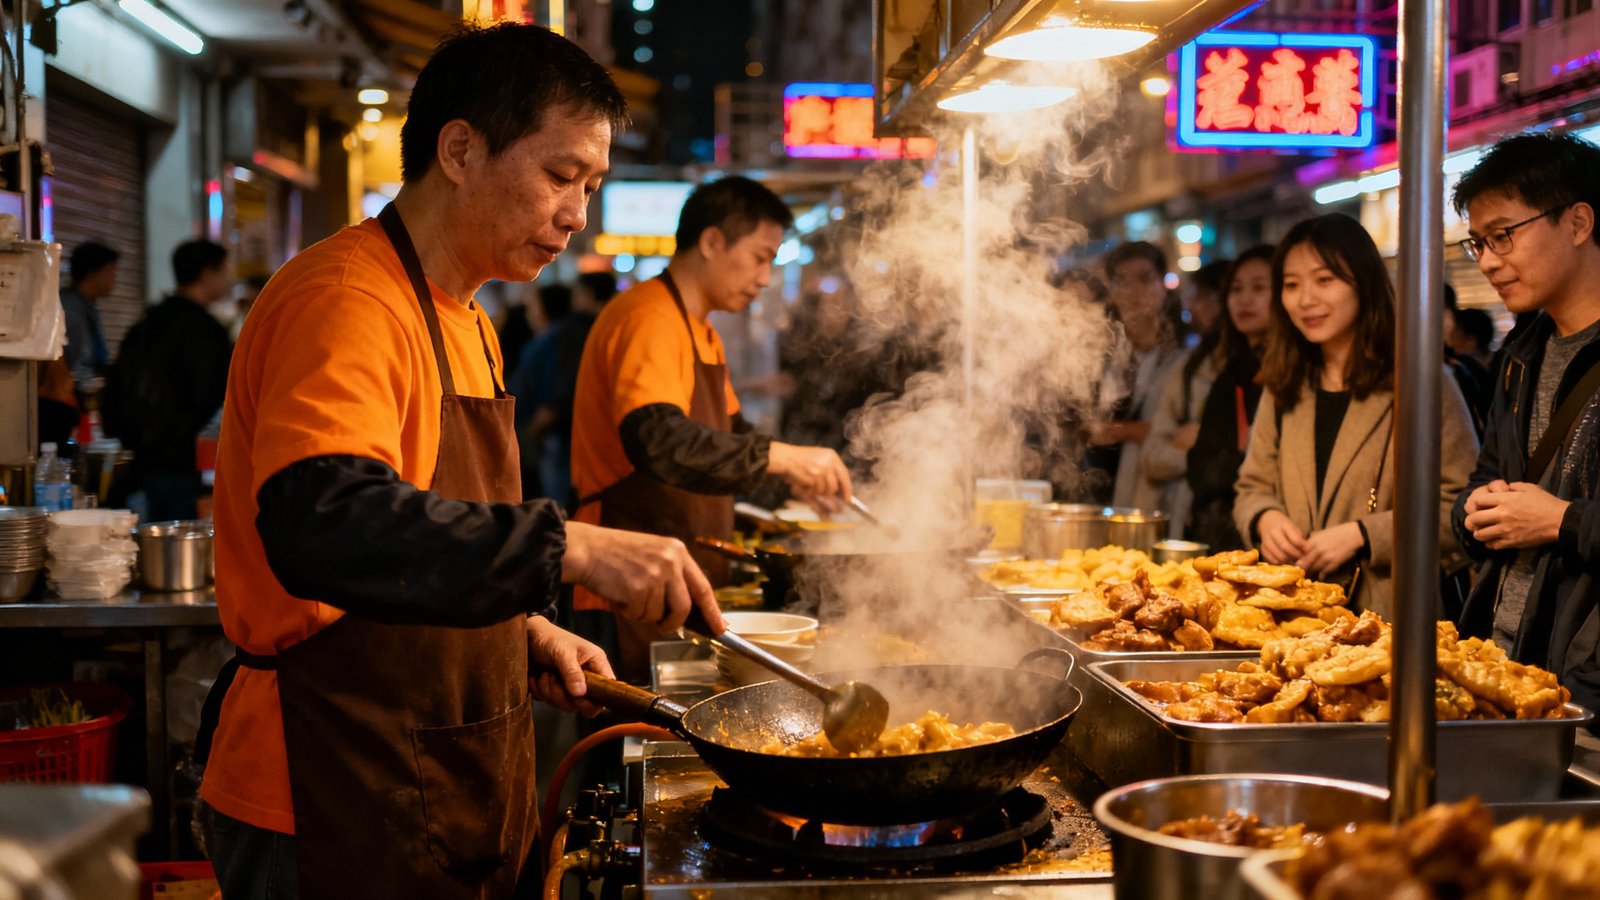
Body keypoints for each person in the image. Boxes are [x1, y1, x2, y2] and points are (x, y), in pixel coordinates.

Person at [195, 24, 725, 900]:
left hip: (438, 767)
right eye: (560, 176)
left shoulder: (470, 318)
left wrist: (520, 632)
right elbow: (325, 521)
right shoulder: (347, 299)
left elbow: (424, 536)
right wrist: (574, 550)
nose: (576, 213)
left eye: (590, 185)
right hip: (323, 786)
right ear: (460, 149)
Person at [569, 175, 853, 680]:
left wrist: (793, 475)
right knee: (620, 739)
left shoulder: (699, 329)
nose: (766, 277)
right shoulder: (649, 317)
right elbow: (659, 440)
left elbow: (733, 433)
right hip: (626, 579)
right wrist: (781, 458)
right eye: (761, 257)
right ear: (713, 241)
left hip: (674, 576)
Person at [1233, 214, 1478, 620]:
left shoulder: (1420, 381)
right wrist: (1264, 518)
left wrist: (1365, 535)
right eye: (1291, 285)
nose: (1305, 299)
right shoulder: (1285, 382)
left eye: (1324, 280)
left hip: (1389, 622)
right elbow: (1251, 484)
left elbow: (1462, 508)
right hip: (1293, 620)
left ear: (1363, 284)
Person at [1450, 132, 1600, 714]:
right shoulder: (1522, 353)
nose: (1488, 260)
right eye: (1478, 243)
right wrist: (1475, 512)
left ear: (1578, 222)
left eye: (1503, 236)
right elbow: (1483, 480)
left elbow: (1552, 520)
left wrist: (1559, 522)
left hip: (1585, 687)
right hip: (1504, 667)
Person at [103, 239, 234, 521]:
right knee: (177, 547)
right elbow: (209, 396)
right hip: (181, 460)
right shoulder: (205, 330)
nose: (229, 279)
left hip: (139, 458)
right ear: (207, 273)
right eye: (225, 271)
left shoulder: (148, 321)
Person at [1083, 241, 1187, 508]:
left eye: (1145, 278)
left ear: (1163, 284)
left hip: (1159, 495)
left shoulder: (1185, 355)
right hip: (1097, 487)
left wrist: (1121, 430)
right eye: (1123, 281)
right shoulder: (1097, 350)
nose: (1134, 291)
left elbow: (1184, 435)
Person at [1184, 245, 1274, 551]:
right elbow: (1199, 465)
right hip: (1223, 533)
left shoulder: (1288, 376)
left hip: (1267, 539)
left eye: (1260, 287)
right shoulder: (1234, 370)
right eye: (1236, 289)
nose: (1245, 299)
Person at [1141, 258, 1234, 536]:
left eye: (1206, 296)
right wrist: (1208, 454)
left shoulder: (1269, 371)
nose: (1194, 306)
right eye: (1195, 297)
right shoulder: (1191, 368)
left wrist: (1201, 443)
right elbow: (1152, 457)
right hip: (1188, 519)